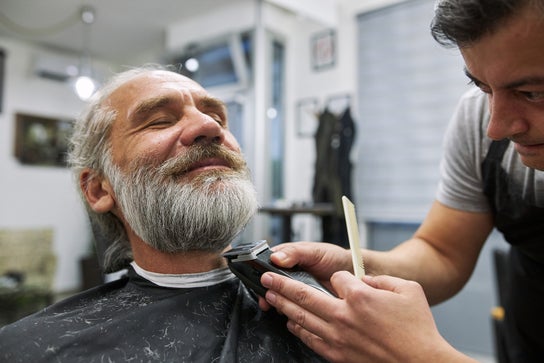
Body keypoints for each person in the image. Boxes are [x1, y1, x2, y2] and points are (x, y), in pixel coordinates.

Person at [259, 0, 544, 362]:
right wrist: (355, 266)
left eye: (533, 92)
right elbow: (443, 252)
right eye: (484, 86)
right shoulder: (477, 118)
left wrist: (420, 354)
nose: (497, 127)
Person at [0, 66, 325, 363]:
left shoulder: (333, 303)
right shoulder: (30, 349)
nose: (210, 127)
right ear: (99, 189)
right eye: (160, 120)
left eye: (219, 118)